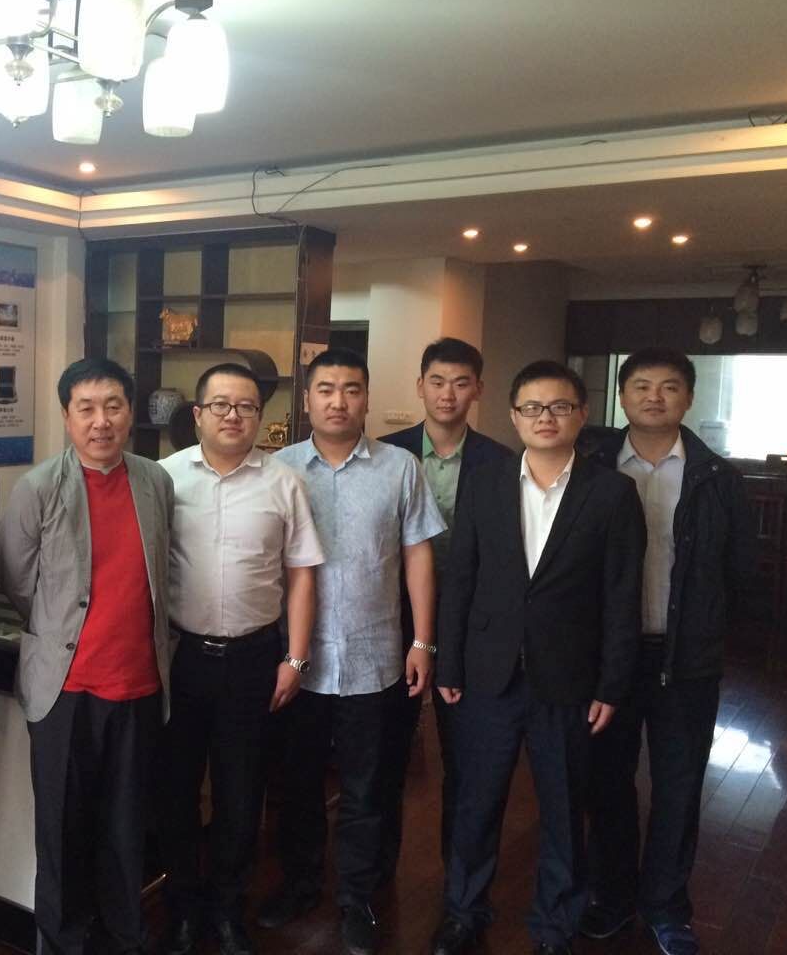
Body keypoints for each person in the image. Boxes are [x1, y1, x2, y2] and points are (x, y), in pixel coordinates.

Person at [430, 360, 645, 955]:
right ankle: (464, 911)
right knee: (476, 802)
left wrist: (612, 683)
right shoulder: (485, 482)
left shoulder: (612, 493)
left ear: (581, 414)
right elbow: (461, 576)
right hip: (487, 675)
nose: (545, 417)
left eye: (559, 407)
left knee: (564, 807)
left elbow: (621, 595)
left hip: (569, 679)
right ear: (513, 415)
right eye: (532, 407)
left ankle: (555, 924)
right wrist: (449, 663)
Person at [263, 347, 446, 955]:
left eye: (350, 389)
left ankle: (358, 898)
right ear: (307, 399)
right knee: (297, 784)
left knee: (370, 789)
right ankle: (300, 883)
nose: (338, 401)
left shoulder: (400, 467)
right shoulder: (280, 469)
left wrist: (422, 640)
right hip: (298, 662)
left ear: (366, 397)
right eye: (326, 389)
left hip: (375, 659)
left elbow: (418, 554)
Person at [0, 357, 175, 955]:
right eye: (87, 409)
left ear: (130, 411)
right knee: (62, 829)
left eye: (113, 406)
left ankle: (126, 935)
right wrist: (60, 631)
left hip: (140, 685)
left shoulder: (155, 481)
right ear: (67, 415)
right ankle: (64, 941)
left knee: (127, 828)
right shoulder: (39, 487)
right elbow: (16, 579)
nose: (102, 421)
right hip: (65, 691)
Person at [581, 349, 751, 955]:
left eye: (670, 386)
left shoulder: (719, 478)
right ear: (622, 396)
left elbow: (738, 571)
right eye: (642, 386)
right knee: (607, 782)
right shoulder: (590, 466)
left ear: (689, 398)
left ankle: (666, 906)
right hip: (609, 658)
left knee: (678, 786)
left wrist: (713, 633)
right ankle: (611, 897)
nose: (655, 396)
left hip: (687, 659)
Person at [158, 362, 324, 955]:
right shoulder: (164, 478)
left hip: (254, 659)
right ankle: (182, 910)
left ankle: (228, 909)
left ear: (260, 415)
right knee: (176, 791)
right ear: (197, 414)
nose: (234, 416)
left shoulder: (284, 482)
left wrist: (295, 659)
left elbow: (301, 575)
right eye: (221, 405)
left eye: (247, 406)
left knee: (240, 793)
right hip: (179, 657)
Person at [377, 337, 512, 873]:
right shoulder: (386, 454)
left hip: (471, 626)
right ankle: (379, 872)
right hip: (393, 619)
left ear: (478, 389)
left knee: (466, 759)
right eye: (437, 381)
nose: (447, 394)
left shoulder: (503, 463)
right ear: (420, 386)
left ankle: (460, 881)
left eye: (460, 383)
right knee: (388, 754)